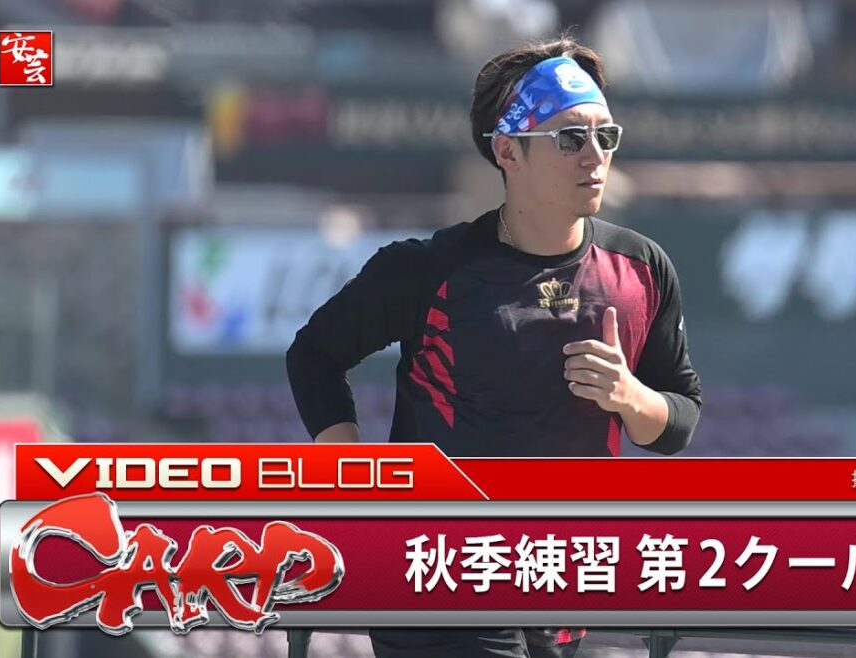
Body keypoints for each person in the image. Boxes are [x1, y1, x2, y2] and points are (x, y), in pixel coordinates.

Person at [287, 35, 702, 658]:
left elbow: (678, 421)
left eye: (606, 136)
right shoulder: (426, 269)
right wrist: (356, 481)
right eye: (571, 138)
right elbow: (313, 356)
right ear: (508, 150)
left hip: (560, 580)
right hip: (437, 576)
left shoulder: (642, 269)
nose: (595, 155)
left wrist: (630, 396)